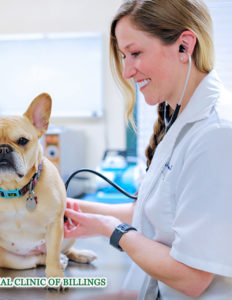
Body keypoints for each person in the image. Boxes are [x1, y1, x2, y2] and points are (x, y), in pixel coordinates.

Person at [64, 0, 232, 299]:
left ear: (184, 46)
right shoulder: (180, 120)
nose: (128, 71)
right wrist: (61, 205)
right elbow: (151, 213)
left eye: (136, 53)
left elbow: (192, 277)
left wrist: (111, 230)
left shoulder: (216, 133)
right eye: (124, 56)